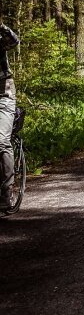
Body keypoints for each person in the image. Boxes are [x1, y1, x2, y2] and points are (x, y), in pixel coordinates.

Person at [0, 24, 19, 209]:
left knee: (1, 141)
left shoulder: (1, 39)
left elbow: (13, 41)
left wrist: (1, 27)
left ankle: (7, 193)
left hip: (3, 95)